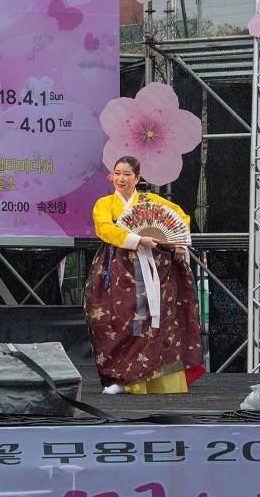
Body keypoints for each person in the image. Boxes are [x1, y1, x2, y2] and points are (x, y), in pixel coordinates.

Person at [83, 156, 205, 395]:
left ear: (137, 178)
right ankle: (121, 377)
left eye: (127, 174)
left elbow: (179, 218)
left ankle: (153, 378)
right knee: (117, 319)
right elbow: (104, 228)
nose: (121, 178)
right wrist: (138, 239)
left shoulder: (150, 201)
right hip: (117, 266)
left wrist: (179, 244)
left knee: (153, 320)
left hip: (154, 267)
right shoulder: (105, 203)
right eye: (117, 173)